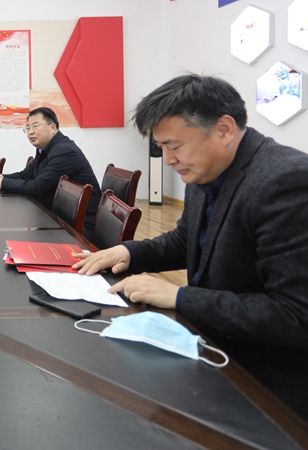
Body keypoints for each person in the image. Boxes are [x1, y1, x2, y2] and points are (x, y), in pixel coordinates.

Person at [73, 74, 308, 419]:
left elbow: (295, 316)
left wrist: (180, 297)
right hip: (212, 347)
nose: (168, 160)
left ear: (224, 130)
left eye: (175, 146)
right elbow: (187, 240)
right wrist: (130, 252)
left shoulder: (286, 182)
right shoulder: (206, 169)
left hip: (266, 387)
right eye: (162, 148)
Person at [0, 107, 101, 239]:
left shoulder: (65, 151)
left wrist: (1, 182)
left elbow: (38, 187)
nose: (30, 132)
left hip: (79, 228)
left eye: (35, 126)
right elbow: (25, 175)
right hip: (57, 217)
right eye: (28, 128)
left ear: (52, 127)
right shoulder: (47, 148)